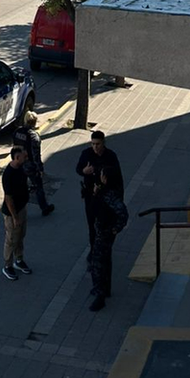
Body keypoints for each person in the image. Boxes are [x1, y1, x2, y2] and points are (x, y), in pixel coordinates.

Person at [75, 130, 123, 254]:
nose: (95, 147)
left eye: (98, 144)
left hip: (106, 196)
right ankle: (93, 250)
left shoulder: (110, 156)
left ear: (103, 143)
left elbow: (118, 177)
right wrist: (84, 171)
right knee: (92, 224)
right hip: (91, 195)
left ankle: (104, 247)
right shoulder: (86, 154)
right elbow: (78, 169)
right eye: (93, 144)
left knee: (105, 224)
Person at [89, 164, 128, 312]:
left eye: (103, 175)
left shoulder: (110, 195)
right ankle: (105, 289)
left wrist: (114, 229)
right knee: (105, 260)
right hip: (103, 231)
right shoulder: (104, 191)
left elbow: (123, 213)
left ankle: (100, 295)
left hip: (104, 234)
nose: (101, 177)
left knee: (98, 263)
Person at [12, 111, 54, 216]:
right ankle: (44, 208)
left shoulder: (17, 132)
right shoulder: (33, 136)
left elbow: (14, 148)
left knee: (19, 187)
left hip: (18, 163)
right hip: (30, 166)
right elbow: (36, 155)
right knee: (38, 187)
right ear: (34, 122)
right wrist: (40, 168)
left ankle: (16, 208)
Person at [1, 145, 32, 280]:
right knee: (11, 239)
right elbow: (8, 198)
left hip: (21, 208)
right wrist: (14, 217)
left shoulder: (20, 168)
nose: (27, 157)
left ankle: (19, 260)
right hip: (12, 213)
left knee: (20, 236)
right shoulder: (8, 174)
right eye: (24, 156)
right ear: (17, 157)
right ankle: (7, 265)